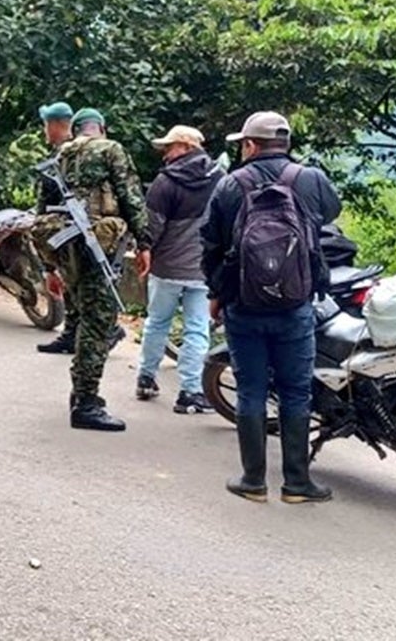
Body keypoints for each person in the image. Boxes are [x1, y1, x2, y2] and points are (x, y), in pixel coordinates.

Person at [201, 111, 341, 503]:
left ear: (249, 145)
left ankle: (253, 481)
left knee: (251, 389)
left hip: (243, 307)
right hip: (296, 306)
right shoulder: (309, 179)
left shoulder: (230, 185)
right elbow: (329, 214)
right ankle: (297, 483)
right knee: (297, 391)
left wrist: (217, 293)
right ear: (286, 144)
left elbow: (210, 243)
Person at [38, 107, 148, 431]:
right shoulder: (110, 149)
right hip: (99, 247)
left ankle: (80, 395)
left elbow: (42, 210)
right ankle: (85, 402)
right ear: (101, 127)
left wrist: (49, 267)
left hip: (68, 250)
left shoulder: (60, 155)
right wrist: (145, 243)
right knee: (98, 324)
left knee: (87, 318)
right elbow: (132, 199)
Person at [134, 125, 223, 414]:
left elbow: (152, 225)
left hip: (166, 266)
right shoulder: (221, 179)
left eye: (169, 148)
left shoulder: (165, 182)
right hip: (201, 270)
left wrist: (144, 250)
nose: (164, 155)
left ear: (185, 147)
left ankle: (146, 378)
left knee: (157, 322)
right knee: (197, 330)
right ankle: (190, 392)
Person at [36, 103, 127, 354]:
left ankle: (105, 332)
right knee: (74, 287)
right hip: (70, 230)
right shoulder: (63, 155)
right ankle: (71, 334)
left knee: (93, 290)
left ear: (57, 125)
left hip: (97, 232)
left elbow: (124, 195)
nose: (45, 130)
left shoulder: (79, 155)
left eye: (46, 125)